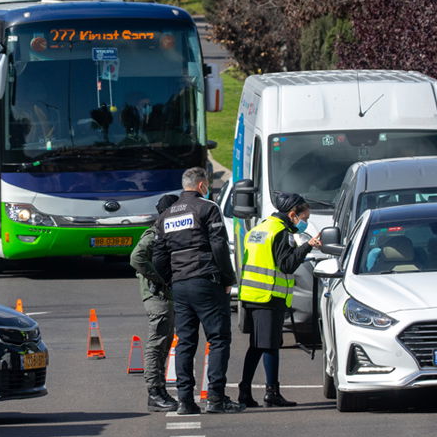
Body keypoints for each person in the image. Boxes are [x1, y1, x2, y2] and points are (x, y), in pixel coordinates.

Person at [152, 167, 238, 415]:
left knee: (186, 343)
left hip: (180, 284)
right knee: (219, 338)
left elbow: (158, 257)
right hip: (205, 280)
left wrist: (171, 280)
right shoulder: (207, 208)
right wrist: (227, 277)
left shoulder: (166, 215)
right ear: (202, 185)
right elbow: (219, 245)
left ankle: (185, 400)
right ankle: (215, 398)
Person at [236, 192, 321, 408]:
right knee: (271, 345)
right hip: (269, 296)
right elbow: (287, 265)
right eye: (304, 218)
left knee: (256, 345)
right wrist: (307, 246)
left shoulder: (260, 228)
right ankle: (271, 393)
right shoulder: (280, 232)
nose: (305, 222)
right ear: (292, 214)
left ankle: (245, 391)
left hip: (252, 295)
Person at [130, 194, 180, 412]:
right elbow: (136, 258)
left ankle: (159, 390)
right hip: (156, 295)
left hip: (164, 295)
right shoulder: (155, 233)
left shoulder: (167, 231)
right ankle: (154, 391)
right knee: (157, 343)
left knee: (164, 342)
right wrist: (158, 278)